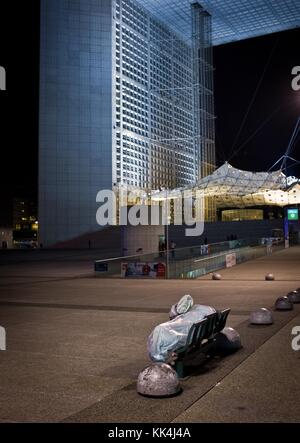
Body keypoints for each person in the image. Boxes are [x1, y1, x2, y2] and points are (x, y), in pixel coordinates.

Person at [147, 295, 216, 363]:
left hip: (187, 332)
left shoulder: (162, 328)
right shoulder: (203, 309)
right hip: (199, 331)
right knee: (164, 330)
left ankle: (158, 359)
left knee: (160, 330)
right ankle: (158, 356)